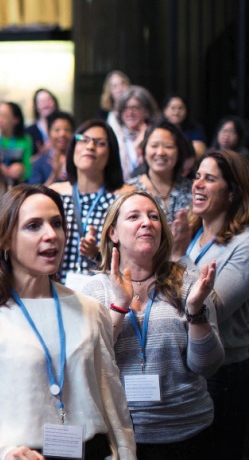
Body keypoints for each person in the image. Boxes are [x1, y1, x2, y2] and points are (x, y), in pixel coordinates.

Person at [0, 185, 136, 459]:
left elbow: (112, 404)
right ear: (6, 239)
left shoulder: (91, 311)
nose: (51, 235)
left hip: (89, 450)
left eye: (57, 224)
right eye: (33, 226)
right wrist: (2, 454)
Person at [83, 190, 223, 458]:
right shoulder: (93, 291)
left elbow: (207, 366)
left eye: (153, 217)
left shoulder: (188, 283)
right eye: (134, 216)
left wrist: (195, 311)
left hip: (188, 431)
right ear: (113, 232)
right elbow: (89, 363)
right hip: (119, 436)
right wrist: (120, 306)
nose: (147, 222)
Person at [171, 149, 249, 460]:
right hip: (189, 366)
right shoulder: (192, 234)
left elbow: (212, 306)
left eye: (210, 179)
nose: (198, 184)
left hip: (226, 374)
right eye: (197, 176)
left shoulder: (244, 245)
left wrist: (177, 257)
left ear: (232, 193)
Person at [50, 119, 134, 287]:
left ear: (111, 154)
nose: (90, 147)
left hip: (106, 291)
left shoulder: (126, 198)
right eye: (84, 140)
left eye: (100, 143)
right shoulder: (54, 194)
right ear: (73, 147)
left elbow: (135, 256)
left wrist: (97, 253)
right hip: (55, 289)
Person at [126, 121, 192, 224]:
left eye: (168, 146)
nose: (160, 152)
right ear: (144, 151)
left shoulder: (191, 190)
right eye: (154, 146)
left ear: (179, 152)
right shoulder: (129, 191)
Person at [115, 86, 160, 180]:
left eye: (135, 108)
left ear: (146, 111)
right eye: (125, 108)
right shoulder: (114, 136)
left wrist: (141, 145)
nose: (130, 113)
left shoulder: (157, 136)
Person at [0, 101, 33, 184]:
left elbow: (29, 171)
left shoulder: (25, 140)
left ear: (16, 120)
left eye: (4, 116)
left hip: (15, 185)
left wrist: (22, 169)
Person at [29, 111, 74, 186]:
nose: (62, 134)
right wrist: (54, 174)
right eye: (57, 130)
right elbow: (35, 194)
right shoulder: (39, 163)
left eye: (67, 130)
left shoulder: (79, 160)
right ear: (49, 133)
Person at [26, 88, 59, 155]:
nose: (45, 104)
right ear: (36, 106)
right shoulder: (28, 132)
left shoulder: (65, 127)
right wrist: (41, 153)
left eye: (48, 100)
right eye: (41, 101)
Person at [98, 71, 131, 136]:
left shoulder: (137, 109)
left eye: (123, 83)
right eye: (115, 86)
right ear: (109, 91)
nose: (120, 88)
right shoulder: (103, 113)